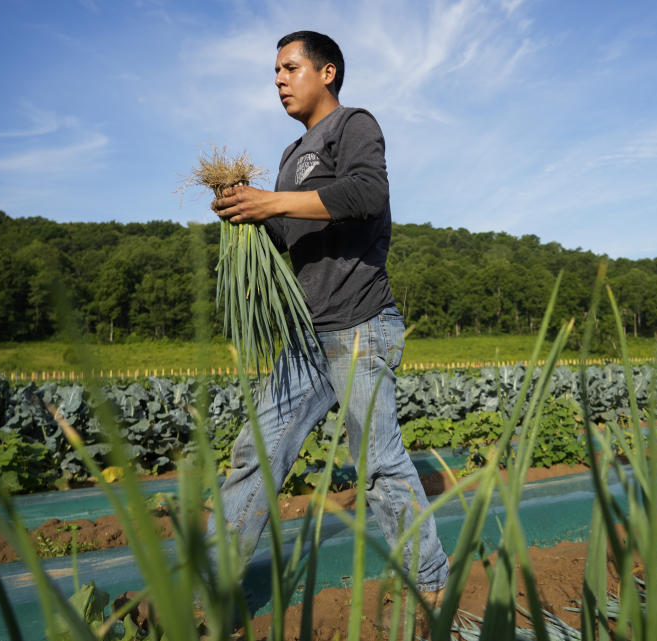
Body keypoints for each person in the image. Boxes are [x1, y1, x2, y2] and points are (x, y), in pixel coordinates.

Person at [209, 30, 449, 601]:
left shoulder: (353, 126)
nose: (278, 80)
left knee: (378, 463)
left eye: (290, 68)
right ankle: (212, 591)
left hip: (360, 323)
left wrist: (274, 200)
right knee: (255, 453)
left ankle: (431, 586)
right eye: (275, 72)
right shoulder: (292, 157)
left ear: (327, 73)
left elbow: (367, 193)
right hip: (305, 335)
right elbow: (292, 229)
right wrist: (250, 213)